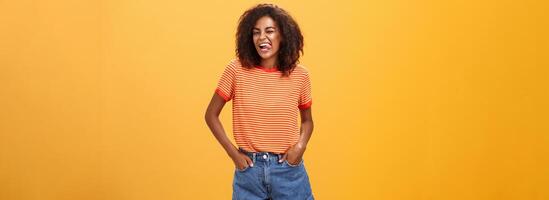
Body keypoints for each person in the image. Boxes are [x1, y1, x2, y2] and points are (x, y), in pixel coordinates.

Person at [205, 3, 314, 200]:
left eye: (270, 31)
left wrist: (300, 146)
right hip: (249, 172)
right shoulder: (236, 70)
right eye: (256, 33)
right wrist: (233, 154)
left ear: (283, 35)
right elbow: (211, 115)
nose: (262, 38)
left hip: (288, 170)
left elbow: (307, 120)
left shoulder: (300, 75)